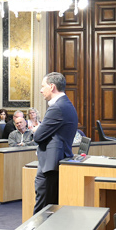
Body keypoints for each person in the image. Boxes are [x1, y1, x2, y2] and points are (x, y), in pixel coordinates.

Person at [34, 72, 79, 214]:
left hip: (50, 167)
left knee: (43, 211)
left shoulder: (57, 108)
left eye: (43, 86)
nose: (41, 90)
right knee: (50, 209)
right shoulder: (65, 104)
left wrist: (36, 129)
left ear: (52, 87)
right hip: (55, 162)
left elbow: (38, 136)